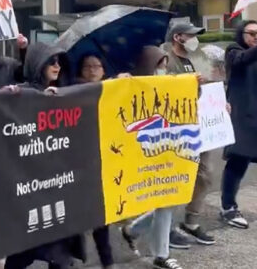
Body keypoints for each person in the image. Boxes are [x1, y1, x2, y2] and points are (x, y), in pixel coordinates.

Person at [6, 42, 85, 269]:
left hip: (58, 184)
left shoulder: (66, 93)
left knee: (59, 250)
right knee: (20, 252)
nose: (57, 66)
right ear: (37, 63)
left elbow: (95, 92)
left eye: (60, 61)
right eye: (51, 61)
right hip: (29, 187)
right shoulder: (18, 94)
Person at [121, 46, 185, 269]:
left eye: (165, 66)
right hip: (142, 153)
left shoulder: (169, 86)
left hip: (167, 149)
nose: (163, 71)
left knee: (171, 198)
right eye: (159, 66)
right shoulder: (128, 87)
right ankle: (161, 254)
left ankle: (133, 231)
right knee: (165, 201)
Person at [163, 22, 215, 247]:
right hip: (176, 127)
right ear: (178, 37)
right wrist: (187, 81)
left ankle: (191, 221)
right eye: (191, 35)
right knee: (175, 177)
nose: (195, 39)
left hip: (201, 123)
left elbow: (210, 87)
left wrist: (219, 104)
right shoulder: (164, 57)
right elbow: (159, 86)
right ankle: (168, 227)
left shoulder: (197, 58)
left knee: (205, 173)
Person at [75, 54, 114, 269]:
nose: (91, 70)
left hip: (104, 164)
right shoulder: (72, 92)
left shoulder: (112, 89)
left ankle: (107, 261)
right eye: (86, 66)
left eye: (96, 66)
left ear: (104, 70)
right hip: (79, 163)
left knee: (102, 217)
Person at [221, 20, 257, 230]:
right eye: (251, 33)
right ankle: (228, 207)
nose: (255, 37)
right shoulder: (234, 51)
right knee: (238, 162)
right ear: (241, 34)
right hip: (241, 117)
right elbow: (241, 61)